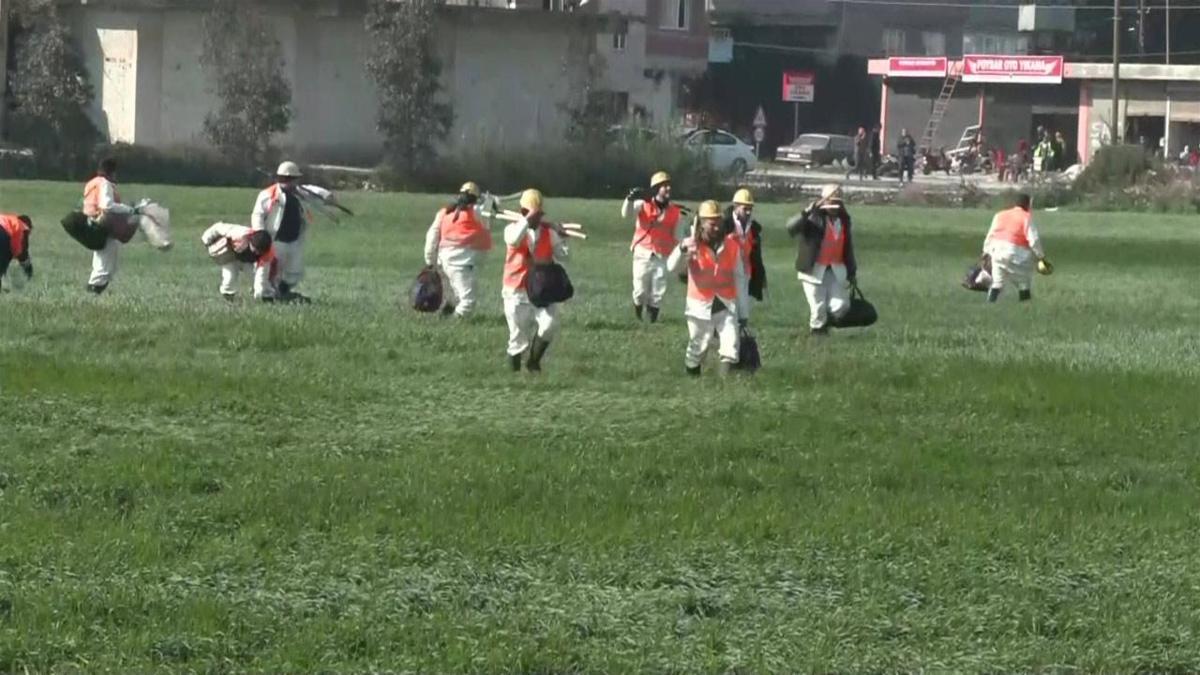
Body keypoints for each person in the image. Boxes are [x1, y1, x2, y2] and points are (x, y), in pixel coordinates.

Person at [666, 200, 744, 376]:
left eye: (719, 222)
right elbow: (671, 267)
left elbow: (740, 278)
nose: (717, 227)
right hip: (699, 306)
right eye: (712, 223)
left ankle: (725, 388)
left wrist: (743, 311)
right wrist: (682, 249)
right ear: (701, 223)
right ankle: (692, 377)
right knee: (699, 347)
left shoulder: (731, 246)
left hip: (726, 304)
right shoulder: (692, 246)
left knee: (731, 346)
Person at [502, 189, 570, 372]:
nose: (535, 218)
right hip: (516, 291)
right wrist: (527, 221)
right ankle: (513, 377)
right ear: (522, 212)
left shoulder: (549, 232)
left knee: (549, 324)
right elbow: (515, 240)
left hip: (541, 290)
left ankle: (533, 362)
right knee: (517, 339)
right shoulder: (511, 229)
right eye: (530, 213)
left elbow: (563, 257)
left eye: (537, 214)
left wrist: (563, 240)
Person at [250, 161, 336, 303]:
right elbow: (257, 215)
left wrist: (326, 196)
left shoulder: (300, 192)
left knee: (294, 272)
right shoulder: (267, 195)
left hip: (295, 240)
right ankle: (267, 294)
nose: (288, 182)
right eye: (285, 178)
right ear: (279, 178)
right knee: (271, 270)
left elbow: (314, 191)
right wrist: (260, 234)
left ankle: (282, 292)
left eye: (291, 179)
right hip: (275, 240)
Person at [786, 184, 858, 335]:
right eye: (830, 203)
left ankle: (827, 323)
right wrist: (806, 212)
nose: (833, 207)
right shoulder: (812, 218)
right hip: (813, 270)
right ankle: (818, 334)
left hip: (834, 269)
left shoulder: (844, 221)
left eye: (836, 203)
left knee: (841, 305)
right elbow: (791, 228)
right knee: (818, 307)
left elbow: (847, 247)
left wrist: (852, 271)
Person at [423, 181, 496, 317]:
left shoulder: (444, 212)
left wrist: (430, 261)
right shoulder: (477, 212)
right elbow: (488, 219)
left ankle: (444, 317)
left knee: (455, 298)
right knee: (467, 302)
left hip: (444, 261)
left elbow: (431, 237)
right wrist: (491, 201)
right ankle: (451, 325)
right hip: (463, 264)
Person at [621, 171, 683, 323]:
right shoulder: (643, 205)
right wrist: (629, 199)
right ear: (656, 189)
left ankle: (652, 319)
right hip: (643, 252)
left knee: (658, 290)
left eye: (668, 185)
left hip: (663, 254)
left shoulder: (675, 212)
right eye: (663, 186)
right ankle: (638, 313)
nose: (667, 189)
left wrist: (680, 253)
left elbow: (678, 236)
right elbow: (626, 214)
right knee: (640, 290)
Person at [983, 193, 1046, 303]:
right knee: (1023, 282)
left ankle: (990, 304)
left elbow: (991, 234)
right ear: (1027, 204)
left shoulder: (1000, 215)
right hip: (1016, 254)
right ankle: (1025, 307)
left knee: (997, 282)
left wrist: (986, 251)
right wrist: (1041, 256)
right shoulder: (1026, 217)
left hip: (997, 252)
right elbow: (1034, 240)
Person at [82, 157, 133, 294]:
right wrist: (129, 209)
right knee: (106, 265)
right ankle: (93, 292)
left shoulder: (92, 183)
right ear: (112, 172)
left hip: (91, 223)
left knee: (100, 261)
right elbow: (107, 205)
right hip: (103, 224)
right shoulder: (105, 184)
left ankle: (93, 291)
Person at [201, 223, 275, 301]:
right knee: (229, 277)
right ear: (251, 241)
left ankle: (267, 296)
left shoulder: (268, 253)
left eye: (260, 252)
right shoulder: (240, 233)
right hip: (230, 256)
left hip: (247, 261)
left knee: (254, 276)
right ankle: (228, 295)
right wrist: (206, 238)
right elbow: (219, 227)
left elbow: (262, 274)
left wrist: (259, 292)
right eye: (256, 250)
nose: (257, 253)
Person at [722, 188, 764, 324]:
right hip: (726, 270)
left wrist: (760, 275)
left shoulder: (754, 227)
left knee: (743, 301)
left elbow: (756, 253)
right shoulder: (724, 223)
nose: (748, 212)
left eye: (750, 208)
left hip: (746, 270)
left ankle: (742, 326)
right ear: (736, 206)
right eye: (745, 208)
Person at [0, 214, 33, 291]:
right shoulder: (21, 226)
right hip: (2, 232)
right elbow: (18, 251)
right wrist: (28, 268)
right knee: (7, 253)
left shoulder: (8, 219)